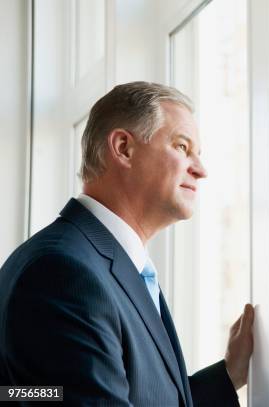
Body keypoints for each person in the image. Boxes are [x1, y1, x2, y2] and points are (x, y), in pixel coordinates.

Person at [0, 82, 254, 406]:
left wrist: (229, 376)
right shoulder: (63, 274)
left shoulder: (101, 265)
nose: (201, 170)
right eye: (182, 147)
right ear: (123, 148)